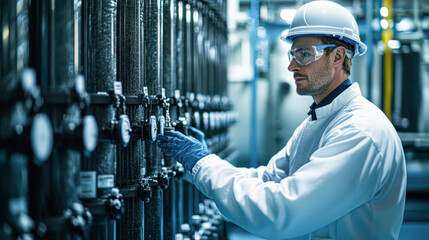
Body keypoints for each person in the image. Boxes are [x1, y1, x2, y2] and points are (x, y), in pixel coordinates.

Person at [158, 1, 407, 239]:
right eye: (293, 54)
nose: (291, 66)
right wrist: (199, 163)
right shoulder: (319, 121)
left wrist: (204, 165)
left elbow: (280, 211)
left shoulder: (362, 132)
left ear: (338, 57)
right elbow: (267, 179)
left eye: (304, 54)